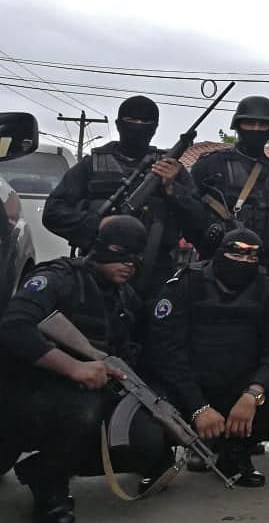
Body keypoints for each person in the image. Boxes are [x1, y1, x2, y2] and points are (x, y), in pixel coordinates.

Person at [0, 217, 172, 523]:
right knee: (82, 411)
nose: (129, 264)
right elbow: (14, 326)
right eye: (121, 253)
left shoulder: (125, 298)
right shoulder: (60, 278)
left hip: (88, 391)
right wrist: (74, 367)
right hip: (25, 390)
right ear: (101, 247)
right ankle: (52, 490)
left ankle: (47, 469)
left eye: (136, 258)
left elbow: (142, 352)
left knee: (146, 442)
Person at [145, 228, 269, 488]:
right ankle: (158, 459)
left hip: (240, 389)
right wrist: (198, 406)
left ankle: (235, 452)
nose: (243, 263)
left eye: (251, 258)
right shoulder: (186, 284)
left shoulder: (267, 291)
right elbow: (165, 350)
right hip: (187, 387)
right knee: (149, 399)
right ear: (220, 253)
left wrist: (254, 394)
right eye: (236, 254)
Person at [43, 95, 201, 300]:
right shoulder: (92, 165)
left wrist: (173, 190)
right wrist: (99, 224)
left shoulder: (171, 169)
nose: (138, 126)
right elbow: (53, 213)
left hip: (156, 276)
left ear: (155, 127)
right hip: (99, 275)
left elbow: (199, 224)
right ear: (118, 124)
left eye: (146, 122)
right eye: (132, 121)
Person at [191, 96, 269, 286]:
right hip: (217, 270)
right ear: (238, 126)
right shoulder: (211, 165)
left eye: (262, 125)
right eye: (249, 123)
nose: (255, 129)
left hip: (264, 274)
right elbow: (190, 213)